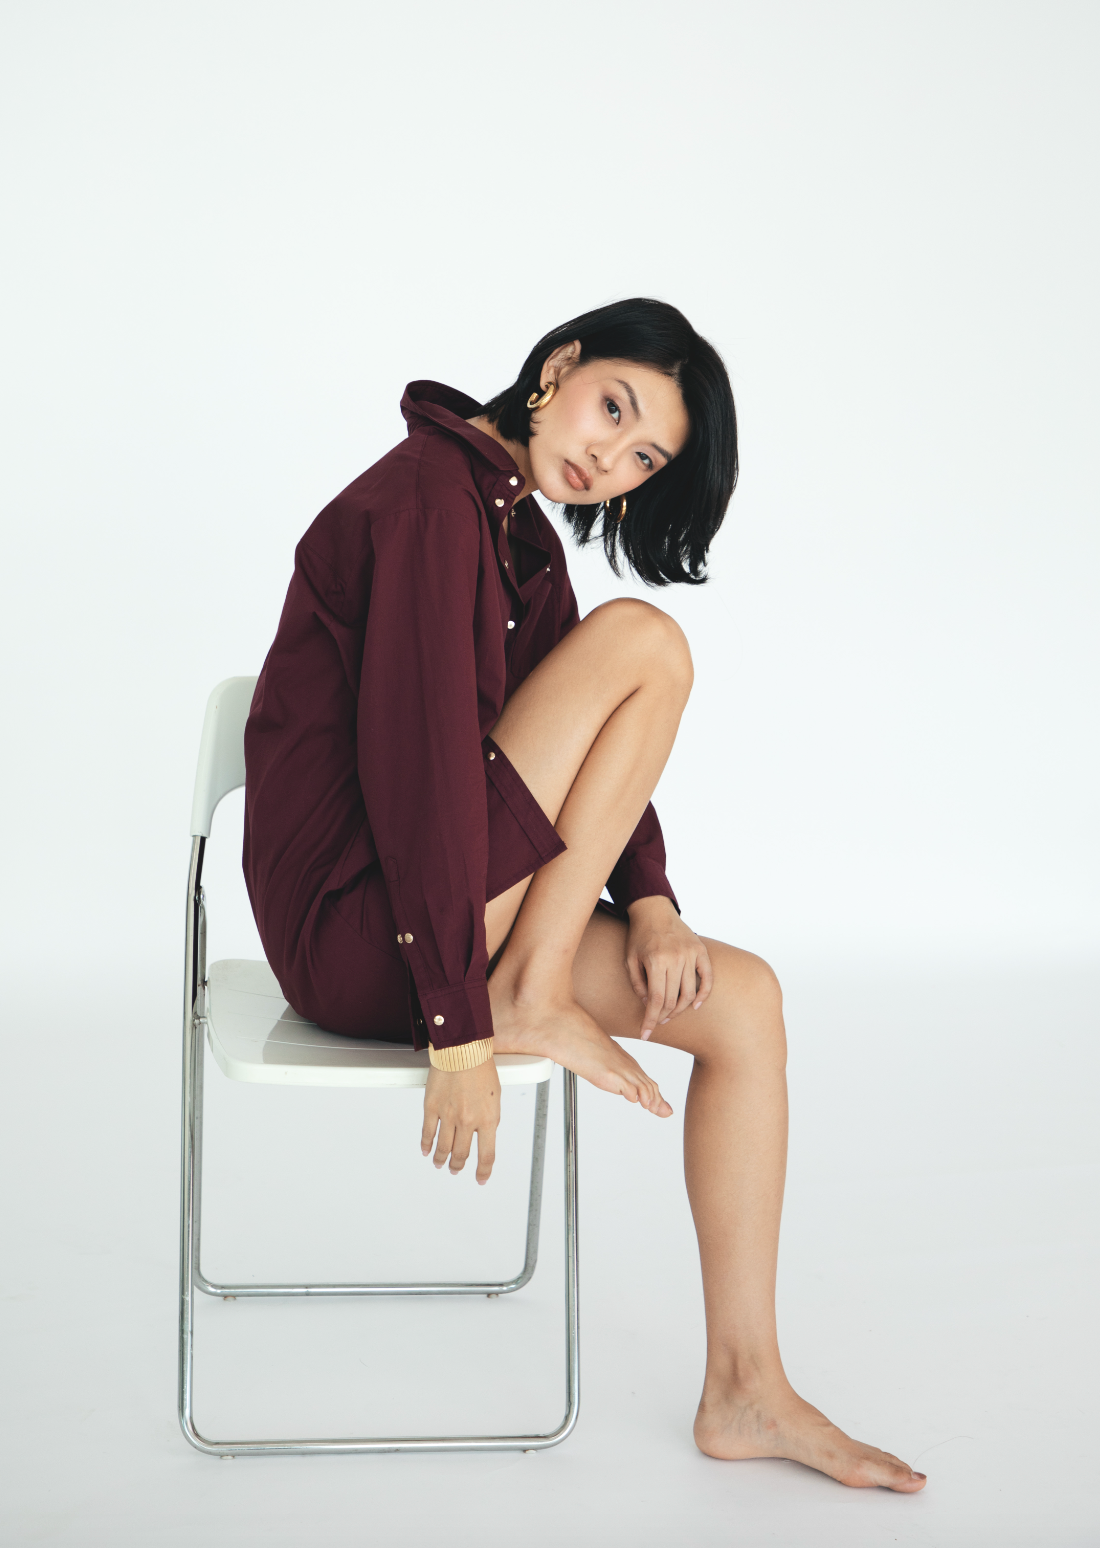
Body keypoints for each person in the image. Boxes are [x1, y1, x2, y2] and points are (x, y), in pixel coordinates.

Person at [242, 298, 926, 1492]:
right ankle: (524, 992)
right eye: (613, 409)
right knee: (646, 642)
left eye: (643, 458)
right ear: (557, 366)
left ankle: (745, 1388)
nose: (610, 460)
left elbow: (578, 752)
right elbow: (420, 777)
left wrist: (651, 902)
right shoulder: (428, 503)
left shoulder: (516, 536)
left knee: (745, 1006)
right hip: (364, 929)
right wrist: (458, 1025)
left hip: (450, 917)